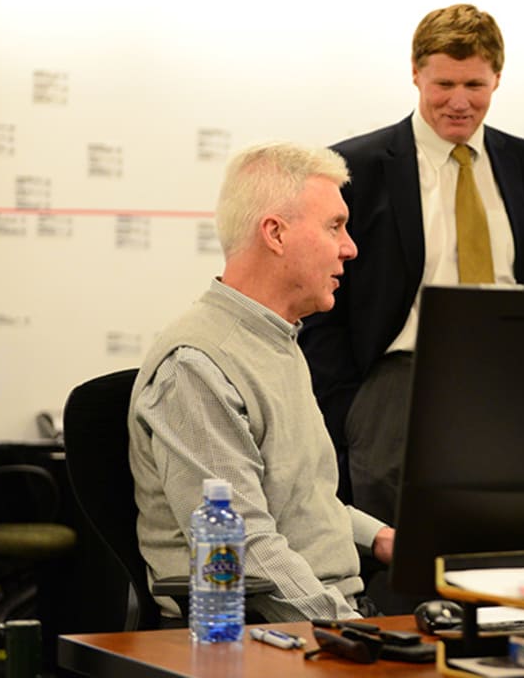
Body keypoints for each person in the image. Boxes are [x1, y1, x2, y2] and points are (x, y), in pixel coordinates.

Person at [299, 4, 524, 523]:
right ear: (415, 72)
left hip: (507, 381)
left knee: (502, 532)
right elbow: (325, 301)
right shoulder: (359, 166)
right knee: (398, 550)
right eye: (444, 83)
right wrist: (347, 405)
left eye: (475, 85)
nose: (460, 102)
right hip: (399, 383)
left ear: (497, 79)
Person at [129, 142, 395, 622]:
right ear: (275, 233)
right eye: (335, 226)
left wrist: (377, 536)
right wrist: (358, 634)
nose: (350, 247)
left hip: (321, 611)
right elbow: (241, 547)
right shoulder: (197, 364)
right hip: (261, 630)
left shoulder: (275, 339)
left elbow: (294, 497)